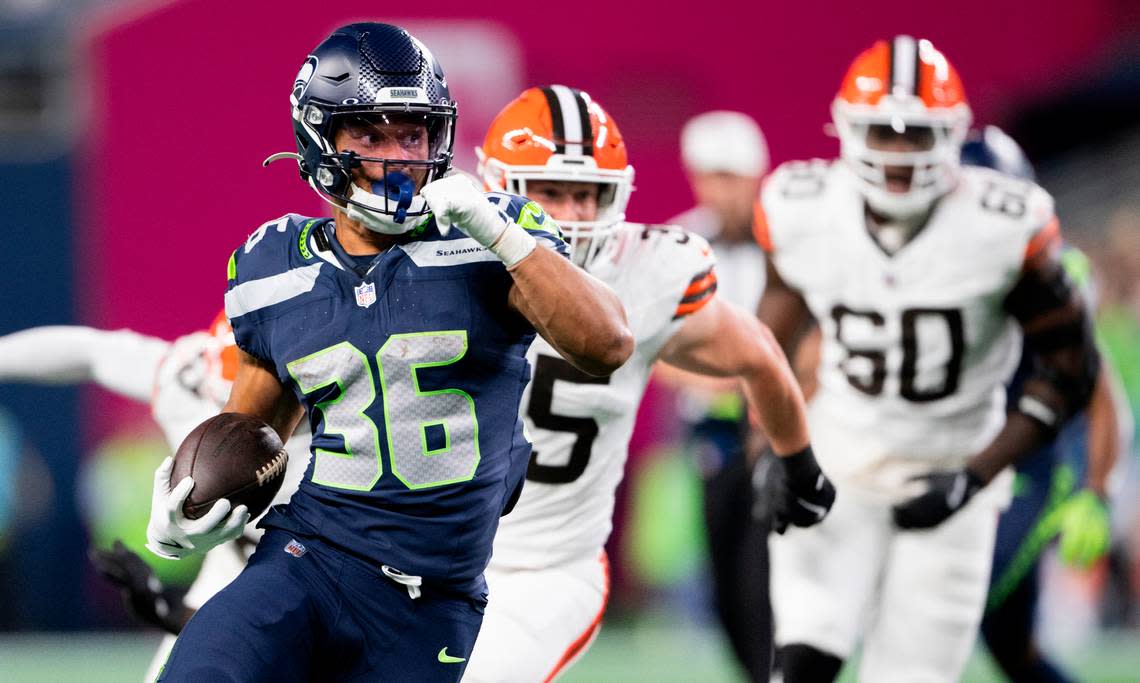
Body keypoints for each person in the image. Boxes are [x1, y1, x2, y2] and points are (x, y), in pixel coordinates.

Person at [145, 24, 632, 683]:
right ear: (322, 140)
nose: (398, 155)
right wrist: (193, 507)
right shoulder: (273, 265)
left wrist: (500, 236)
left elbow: (606, 345)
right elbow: (253, 434)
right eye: (370, 135)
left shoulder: (496, 236)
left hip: (431, 600)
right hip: (306, 559)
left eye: (413, 133)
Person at [754, 36, 1100, 682]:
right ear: (848, 130)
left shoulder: (1002, 224)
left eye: (918, 133)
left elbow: (1072, 369)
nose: (899, 150)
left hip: (955, 464)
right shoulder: (803, 208)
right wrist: (772, 450)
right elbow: (763, 349)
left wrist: (975, 474)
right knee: (802, 657)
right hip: (840, 464)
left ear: (953, 136)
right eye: (882, 131)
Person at [462, 85, 834, 682]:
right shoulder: (442, 259)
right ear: (497, 187)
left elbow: (761, 353)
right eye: (550, 192)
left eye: (587, 194)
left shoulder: (646, 272)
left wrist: (798, 462)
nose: (571, 215)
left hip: (543, 568)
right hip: (426, 556)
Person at [0, 314, 311, 681]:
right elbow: (91, 352)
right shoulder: (190, 377)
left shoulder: (342, 441)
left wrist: (187, 614)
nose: (255, 402)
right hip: (242, 578)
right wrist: (182, 613)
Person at [961, 127, 1129, 683]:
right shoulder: (933, 269)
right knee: (1011, 649)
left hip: (1036, 467)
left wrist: (1096, 494)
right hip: (968, 461)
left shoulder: (1056, 275)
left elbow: (1103, 397)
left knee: (953, 604)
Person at [662, 110, 775, 682]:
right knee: (725, 584)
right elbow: (652, 346)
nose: (722, 190)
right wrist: (711, 377)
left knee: (764, 579)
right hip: (712, 432)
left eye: (733, 176)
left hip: (777, 430)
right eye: (713, 176)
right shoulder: (683, 242)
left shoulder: (786, 242)